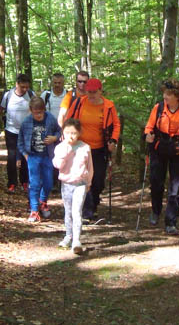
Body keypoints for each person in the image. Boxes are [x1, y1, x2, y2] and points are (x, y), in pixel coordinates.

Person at [62, 78, 120, 221]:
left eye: (94, 92)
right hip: (80, 148)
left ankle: (93, 203)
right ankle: (88, 210)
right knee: (83, 178)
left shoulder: (108, 106)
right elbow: (69, 120)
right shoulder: (79, 103)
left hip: (100, 149)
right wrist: (67, 137)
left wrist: (113, 140)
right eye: (89, 92)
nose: (91, 95)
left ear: (100, 91)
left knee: (98, 180)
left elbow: (116, 125)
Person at [144, 78, 179, 235]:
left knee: (176, 187)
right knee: (156, 182)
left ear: (176, 96)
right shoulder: (158, 108)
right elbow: (149, 126)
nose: (164, 96)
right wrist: (148, 135)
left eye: (168, 94)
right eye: (164, 93)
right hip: (159, 147)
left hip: (178, 150)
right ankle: (156, 210)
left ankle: (171, 221)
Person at [0, 74, 36, 193]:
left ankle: (25, 182)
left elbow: (38, 110)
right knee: (12, 157)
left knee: (25, 157)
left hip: (26, 132)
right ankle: (12, 183)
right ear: (17, 84)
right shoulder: (8, 95)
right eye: (22, 87)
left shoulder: (31, 95)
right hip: (11, 131)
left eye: (27, 87)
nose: (25, 89)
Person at [52, 118, 93, 254]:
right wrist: (66, 151)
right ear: (63, 133)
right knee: (68, 211)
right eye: (68, 132)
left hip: (80, 184)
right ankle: (68, 236)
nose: (71, 136)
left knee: (77, 211)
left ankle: (76, 240)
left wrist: (89, 182)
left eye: (74, 133)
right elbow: (57, 165)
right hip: (66, 184)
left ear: (79, 133)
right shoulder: (60, 148)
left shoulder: (85, 148)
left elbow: (90, 167)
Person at [17, 97, 61, 222]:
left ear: (44, 110)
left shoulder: (50, 118)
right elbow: (20, 141)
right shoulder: (26, 122)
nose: (38, 115)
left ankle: (43, 201)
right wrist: (25, 155)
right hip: (33, 157)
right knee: (34, 183)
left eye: (40, 112)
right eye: (35, 113)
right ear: (31, 110)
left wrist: (54, 138)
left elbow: (59, 131)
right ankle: (34, 210)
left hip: (47, 156)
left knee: (48, 183)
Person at [41, 73, 67, 190]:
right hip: (49, 130)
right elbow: (39, 110)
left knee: (63, 156)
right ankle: (51, 181)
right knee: (50, 156)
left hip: (65, 130)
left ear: (63, 83)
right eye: (55, 82)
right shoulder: (46, 95)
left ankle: (61, 181)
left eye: (59, 83)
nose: (57, 85)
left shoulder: (68, 95)